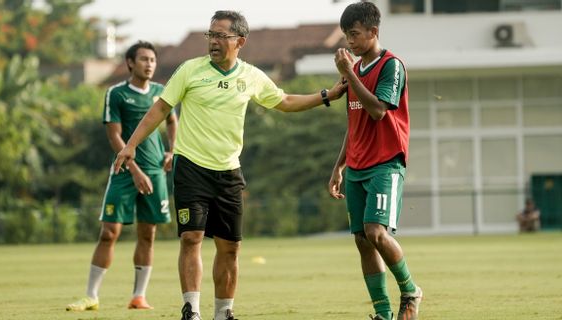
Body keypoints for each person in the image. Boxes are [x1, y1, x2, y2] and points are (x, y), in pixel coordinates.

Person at [112, 10, 347, 320]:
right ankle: (191, 310)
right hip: (191, 167)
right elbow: (160, 109)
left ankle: (223, 313)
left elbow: (285, 102)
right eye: (211, 35)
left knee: (230, 247)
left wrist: (326, 95)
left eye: (221, 35)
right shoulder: (190, 70)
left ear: (240, 41)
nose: (214, 41)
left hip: (228, 172)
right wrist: (130, 146)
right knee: (191, 237)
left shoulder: (250, 76)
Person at [66, 41, 178, 311]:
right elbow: (114, 135)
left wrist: (171, 151)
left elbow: (172, 121)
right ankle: (91, 296)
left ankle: (139, 296)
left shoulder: (162, 92)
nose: (149, 64)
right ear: (130, 63)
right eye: (143, 59)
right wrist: (135, 169)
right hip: (124, 172)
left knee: (148, 234)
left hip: (155, 173)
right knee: (109, 233)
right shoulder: (116, 94)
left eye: (152, 59)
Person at [328, 2, 422, 320]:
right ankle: (383, 314)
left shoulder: (391, 66)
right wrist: (338, 166)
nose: (350, 42)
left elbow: (379, 110)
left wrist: (348, 75)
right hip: (356, 165)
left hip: (385, 162)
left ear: (373, 32)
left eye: (354, 34)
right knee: (361, 239)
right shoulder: (354, 72)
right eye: (346, 35)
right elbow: (353, 124)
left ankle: (410, 291)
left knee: (376, 232)